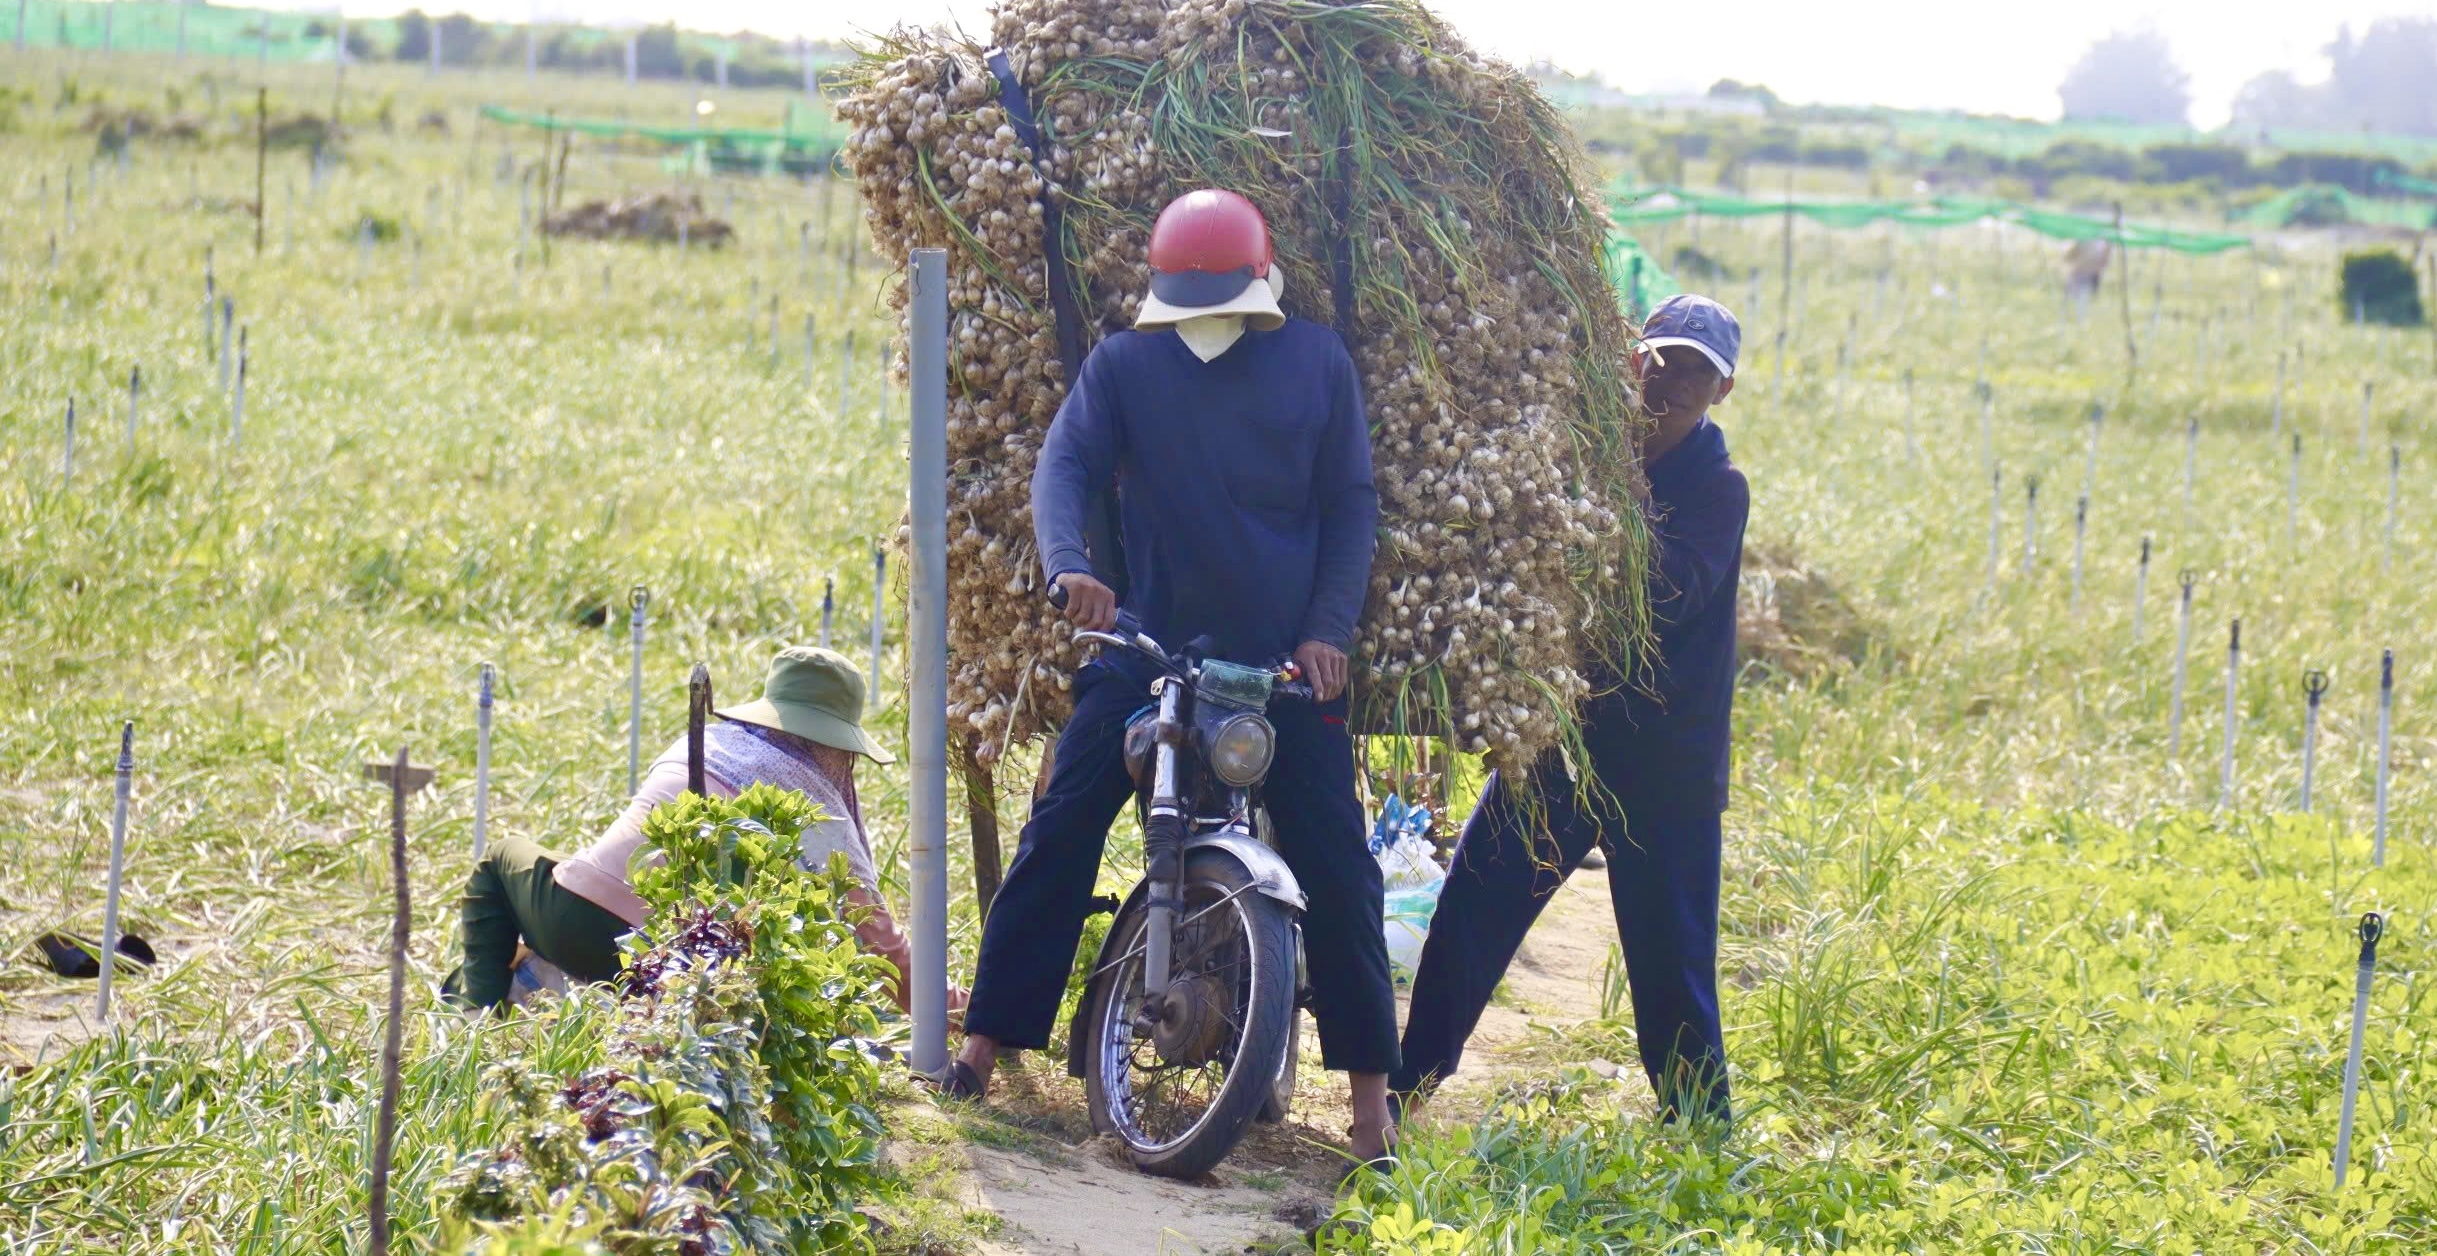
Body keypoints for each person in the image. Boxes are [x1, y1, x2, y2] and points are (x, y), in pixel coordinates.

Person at [935, 188, 1400, 1166]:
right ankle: (985, 1039)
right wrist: (1073, 568)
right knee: (1060, 826)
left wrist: (1326, 634)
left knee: (1343, 868)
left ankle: (1368, 1102)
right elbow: (1063, 466)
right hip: (1148, 652)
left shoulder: (1316, 363)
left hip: (1279, 668)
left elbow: (1350, 503)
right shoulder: (1124, 367)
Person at [1394, 292, 1749, 1122]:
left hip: (1668, 767)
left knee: (1673, 965)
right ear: (1635, 361)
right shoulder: (1586, 454)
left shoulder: (1717, 490)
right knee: (1471, 914)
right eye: (1661, 363)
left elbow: (1665, 594)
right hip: (1561, 743)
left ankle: (1700, 1132)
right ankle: (1403, 1091)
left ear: (1721, 392)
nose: (1673, 386)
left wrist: (1582, 522)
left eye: (1696, 374)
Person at [452, 645, 958, 1016]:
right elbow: (884, 954)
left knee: (503, 856)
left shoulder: (707, 744)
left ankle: (477, 1006)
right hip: (675, 974)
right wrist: (965, 1011)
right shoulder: (822, 820)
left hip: (569, 920)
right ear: (838, 745)